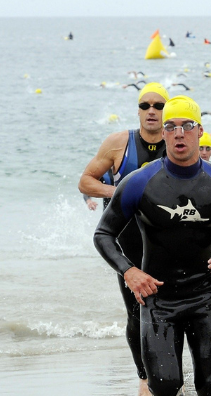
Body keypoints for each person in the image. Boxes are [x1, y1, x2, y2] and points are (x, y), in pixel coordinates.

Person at [94, 95, 211, 396]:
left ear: (200, 131)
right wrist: (128, 271)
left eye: (187, 125)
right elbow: (103, 234)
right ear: (164, 133)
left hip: (206, 297)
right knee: (165, 385)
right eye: (171, 126)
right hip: (159, 300)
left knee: (210, 386)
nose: (179, 133)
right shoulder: (139, 182)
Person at [78, 82, 170, 396]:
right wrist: (116, 192)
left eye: (158, 106)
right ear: (139, 110)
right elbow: (86, 181)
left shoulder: (177, 142)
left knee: (172, 309)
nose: (152, 111)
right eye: (145, 105)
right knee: (137, 310)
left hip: (168, 242)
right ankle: (144, 378)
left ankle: (172, 371)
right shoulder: (119, 143)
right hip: (127, 243)